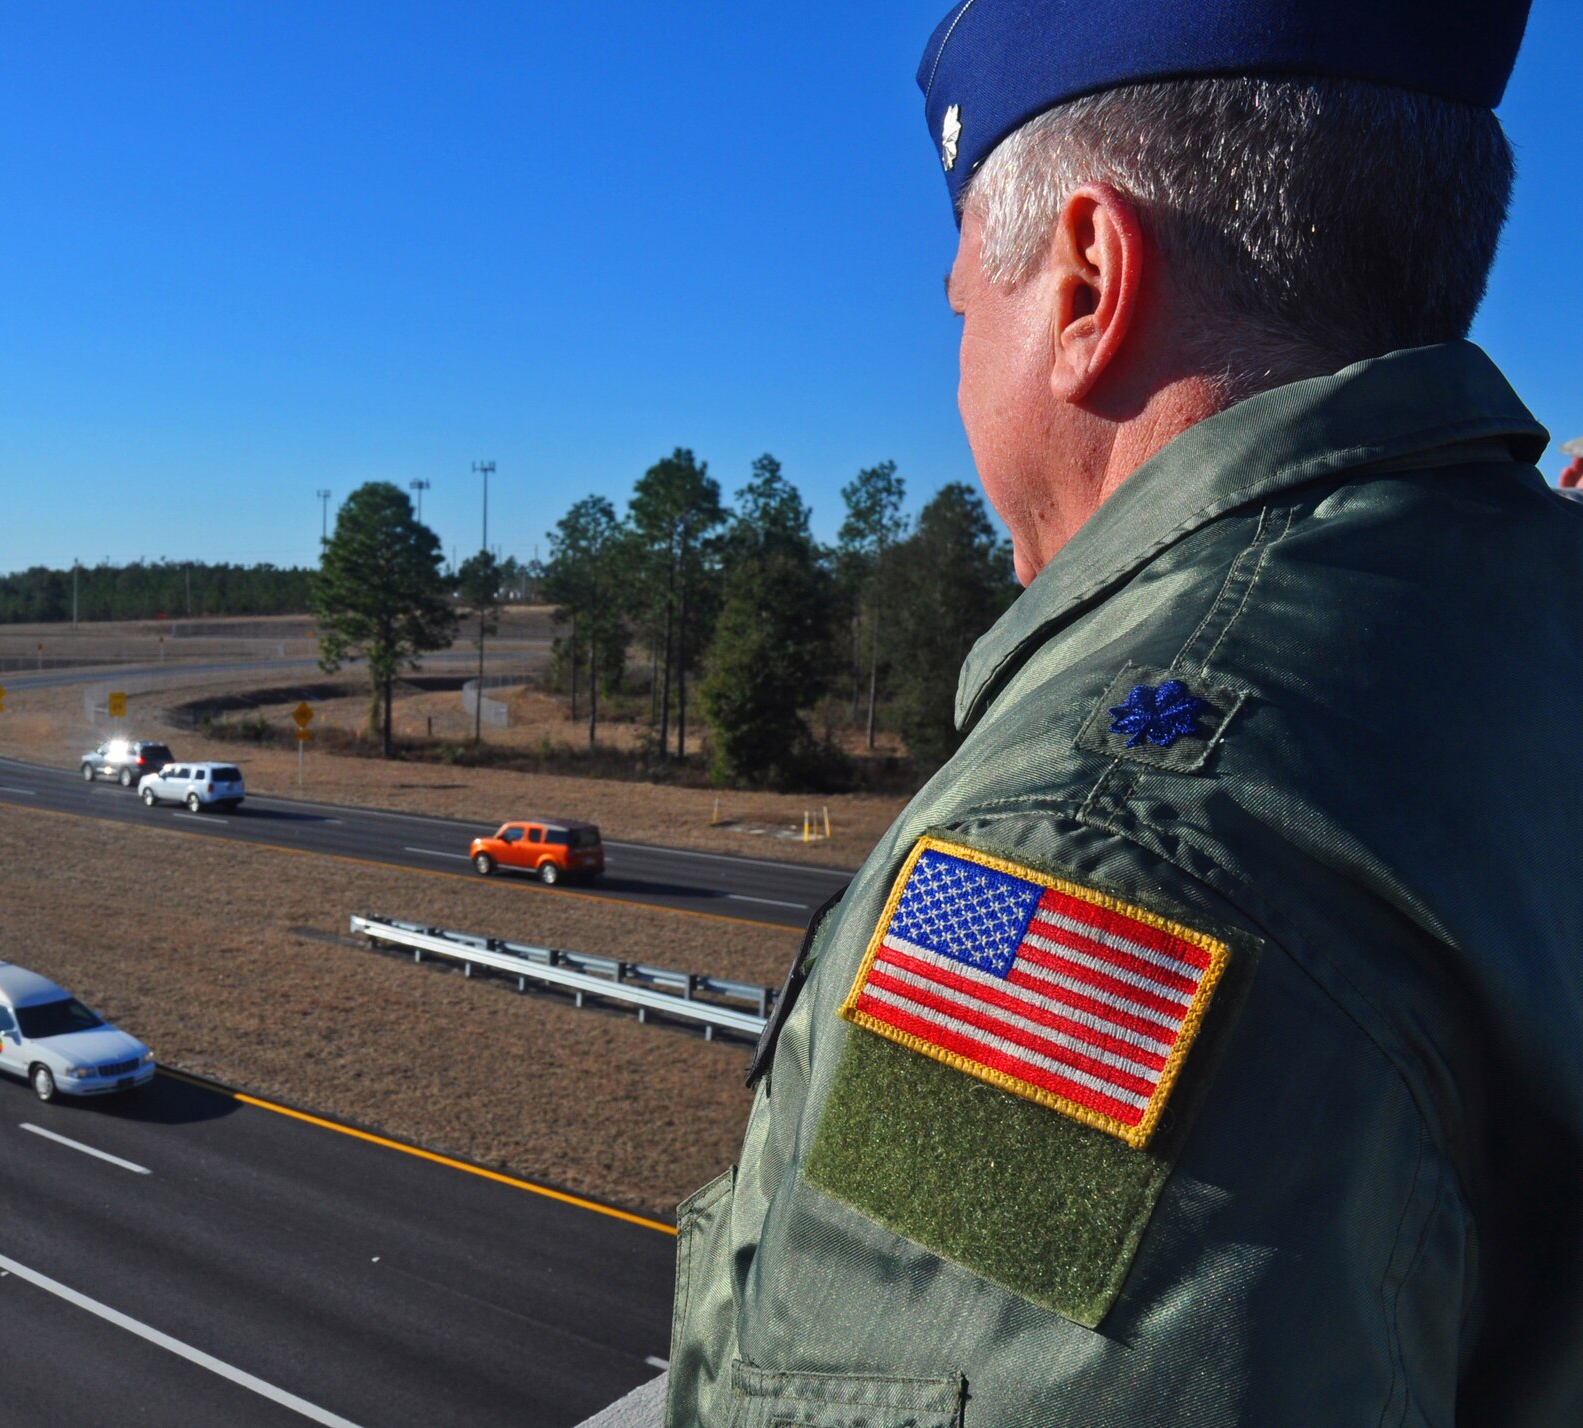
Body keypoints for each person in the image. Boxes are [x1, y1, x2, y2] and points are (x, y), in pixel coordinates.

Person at [665, 2, 1583, 1425]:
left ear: (1090, 281)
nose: (957, 370)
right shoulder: (1524, 619)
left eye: (966, 306)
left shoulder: (1087, 867)